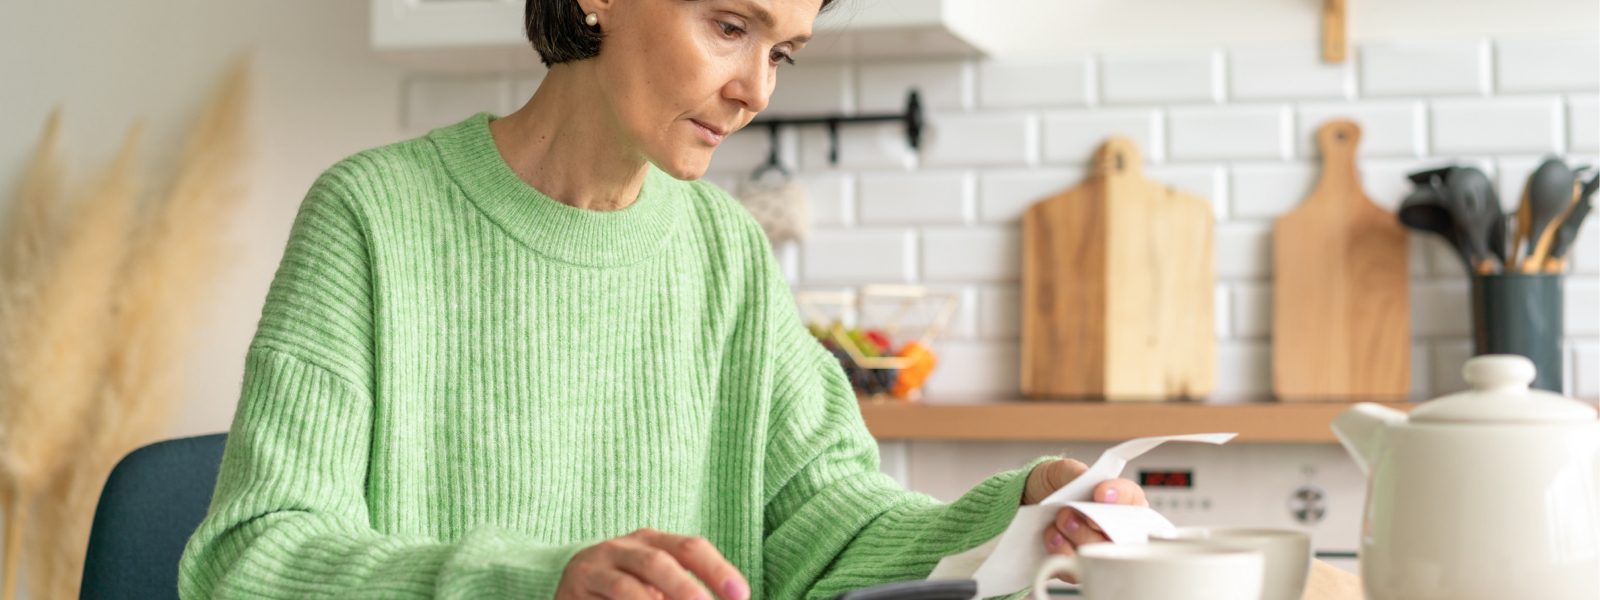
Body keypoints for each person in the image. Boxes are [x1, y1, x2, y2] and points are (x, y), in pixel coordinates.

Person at [177, 0, 1148, 598]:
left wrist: (1015, 518)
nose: (757, 89)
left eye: (783, 50)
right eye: (730, 27)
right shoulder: (374, 216)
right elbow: (253, 562)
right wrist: (535, 587)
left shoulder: (724, 249)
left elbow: (825, 529)